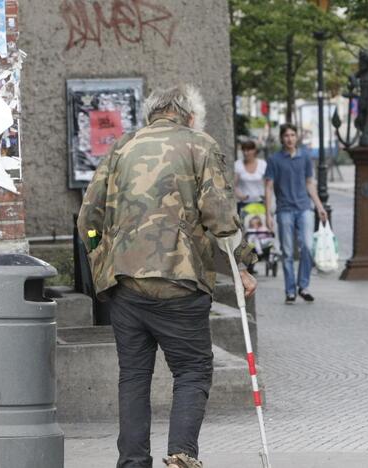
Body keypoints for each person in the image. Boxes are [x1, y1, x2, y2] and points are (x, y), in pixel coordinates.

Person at [77, 84, 257, 468]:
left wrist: (100, 252)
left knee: (134, 376)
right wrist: (242, 263)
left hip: (125, 282)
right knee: (192, 370)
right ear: (189, 115)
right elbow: (221, 216)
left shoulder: (122, 146)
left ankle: (133, 463)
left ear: (152, 114)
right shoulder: (200, 144)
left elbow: (87, 219)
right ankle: (181, 455)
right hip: (180, 281)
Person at [264, 123, 328, 304]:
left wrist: (320, 207)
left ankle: (304, 286)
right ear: (281, 138)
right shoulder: (274, 160)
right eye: (286, 136)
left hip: (304, 208)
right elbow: (268, 187)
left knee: (307, 247)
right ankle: (290, 291)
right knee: (287, 252)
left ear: (297, 137)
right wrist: (268, 214)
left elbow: (309, 183)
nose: (289, 139)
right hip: (284, 210)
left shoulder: (305, 157)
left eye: (292, 135)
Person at [233, 140, 267, 210]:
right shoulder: (238, 164)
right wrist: (240, 195)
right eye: (243, 150)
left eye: (248, 150)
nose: (245, 153)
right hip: (243, 203)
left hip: (260, 202)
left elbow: (268, 184)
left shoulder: (263, 164)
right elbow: (233, 184)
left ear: (254, 150)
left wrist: (265, 195)